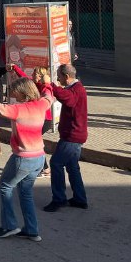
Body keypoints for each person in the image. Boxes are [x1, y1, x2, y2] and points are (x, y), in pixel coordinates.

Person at [0, 76, 54, 241]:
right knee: (25, 192)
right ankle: (32, 229)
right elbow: (48, 95)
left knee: (4, 186)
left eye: (15, 92)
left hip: (23, 158)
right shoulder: (41, 104)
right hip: (39, 157)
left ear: (23, 93)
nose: (13, 94)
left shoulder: (18, 109)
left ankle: (9, 226)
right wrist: (47, 84)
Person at [43, 64, 89, 211]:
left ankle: (59, 199)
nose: (58, 78)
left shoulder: (77, 89)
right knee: (72, 167)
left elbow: (68, 99)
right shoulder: (74, 88)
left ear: (66, 76)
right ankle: (80, 199)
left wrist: (50, 85)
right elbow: (65, 96)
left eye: (59, 76)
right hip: (73, 134)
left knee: (56, 163)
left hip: (72, 136)